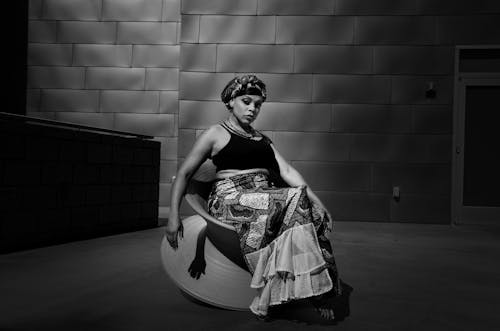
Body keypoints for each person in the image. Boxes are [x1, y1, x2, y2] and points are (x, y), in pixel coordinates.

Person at [166, 74, 345, 320]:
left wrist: (318, 202)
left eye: (258, 104)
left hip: (265, 194)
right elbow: (184, 173)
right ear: (230, 102)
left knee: (312, 213)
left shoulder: (263, 140)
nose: (253, 109)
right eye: (246, 101)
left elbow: (288, 171)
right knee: (291, 199)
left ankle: (317, 291)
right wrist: (172, 217)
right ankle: (283, 293)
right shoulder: (215, 133)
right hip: (231, 198)